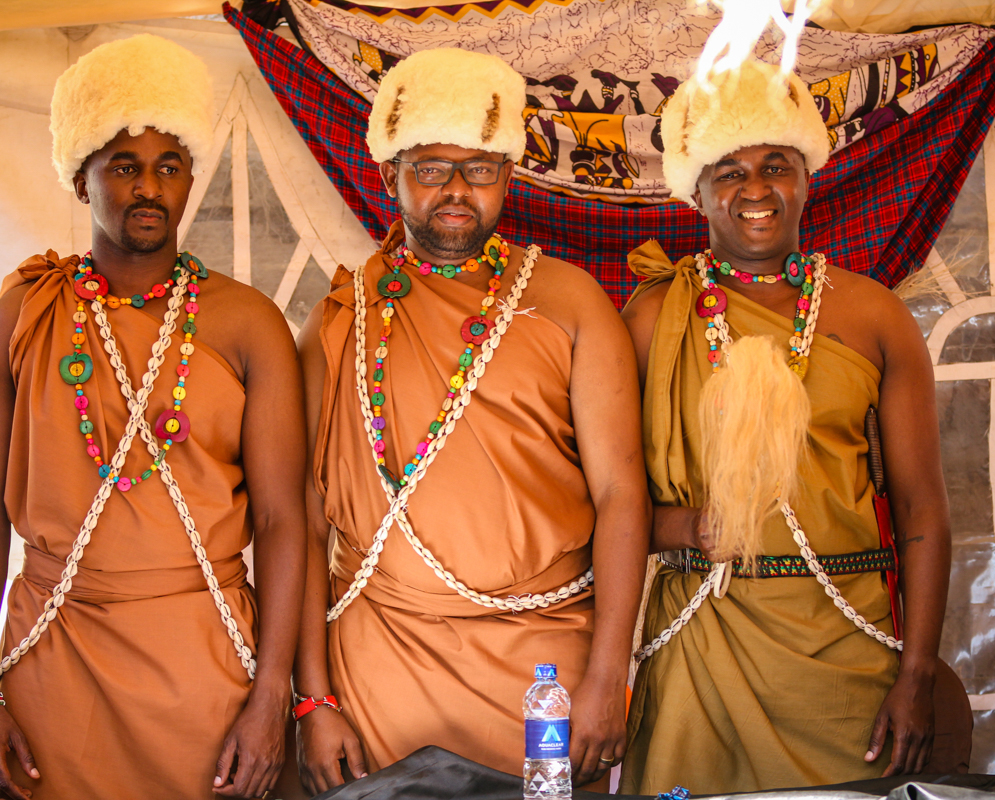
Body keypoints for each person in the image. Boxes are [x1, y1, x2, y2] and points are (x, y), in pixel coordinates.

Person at [0, 34, 306, 800]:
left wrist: (272, 693)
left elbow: (285, 520)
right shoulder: (21, 314)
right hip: (54, 663)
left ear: (188, 181)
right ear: (82, 181)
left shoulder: (249, 325)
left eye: (168, 167)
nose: (149, 188)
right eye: (123, 167)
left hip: (207, 668)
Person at [292, 47, 650, 794]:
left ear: (509, 177)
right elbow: (302, 524)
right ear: (391, 174)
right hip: (380, 666)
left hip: (544, 670)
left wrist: (608, 676)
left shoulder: (572, 302)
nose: (456, 190)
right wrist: (314, 697)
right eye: (431, 168)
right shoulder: (339, 320)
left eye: (479, 168)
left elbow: (622, 493)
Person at [618, 59, 951, 794]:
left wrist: (919, 672)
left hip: (846, 653)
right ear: (696, 190)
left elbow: (924, 508)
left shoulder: (875, 315)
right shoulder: (649, 319)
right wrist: (684, 529)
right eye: (729, 171)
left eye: (775, 165)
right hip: (703, 642)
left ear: (806, 177)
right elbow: (598, 503)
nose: (756, 189)